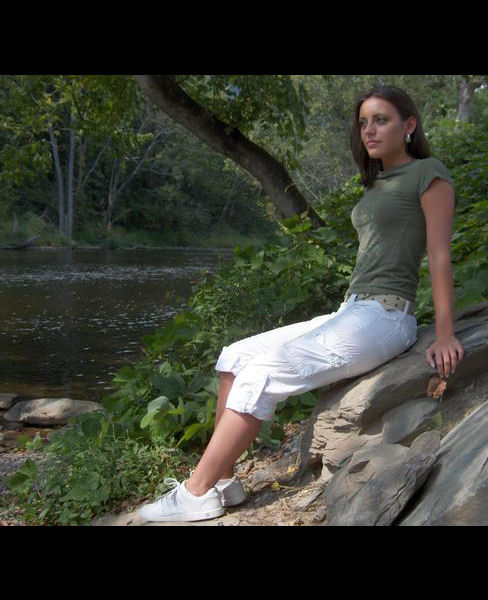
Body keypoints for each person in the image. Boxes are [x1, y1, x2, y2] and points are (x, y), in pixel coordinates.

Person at [139, 84, 465, 522]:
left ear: (408, 125)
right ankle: (222, 483)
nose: (369, 130)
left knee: (262, 372)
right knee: (234, 358)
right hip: (353, 310)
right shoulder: (376, 183)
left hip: (388, 316)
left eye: (381, 120)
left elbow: (440, 257)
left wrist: (444, 333)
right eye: (363, 122)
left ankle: (195, 492)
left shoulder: (429, 173)